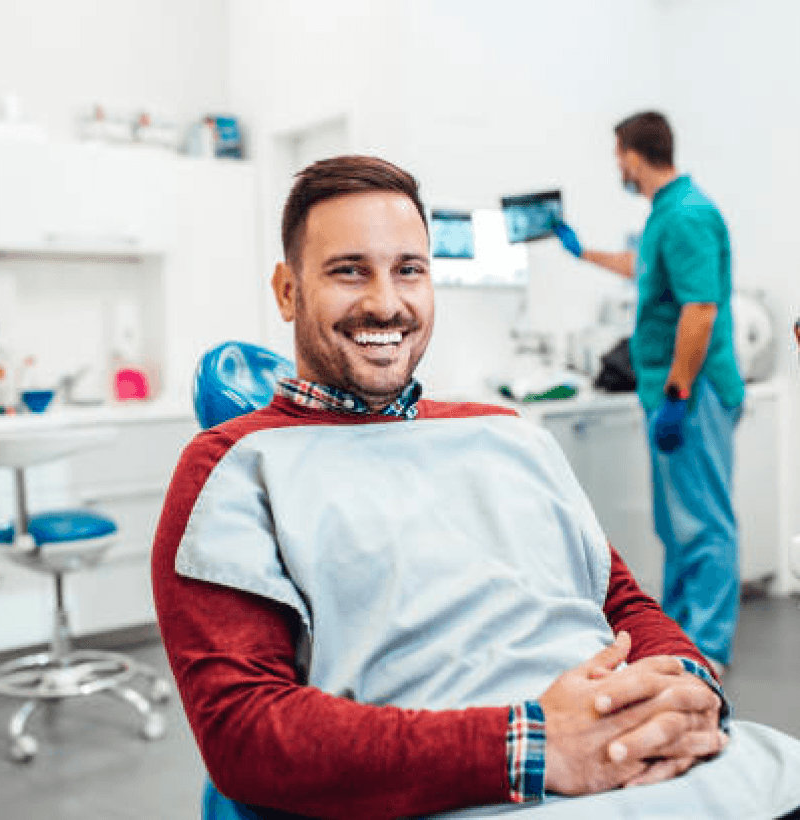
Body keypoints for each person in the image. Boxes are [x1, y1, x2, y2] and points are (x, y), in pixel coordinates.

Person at [152, 155, 800, 819]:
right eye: (350, 270)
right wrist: (535, 745)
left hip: (686, 763)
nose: (386, 301)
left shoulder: (509, 434)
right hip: (492, 793)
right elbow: (248, 733)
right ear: (288, 291)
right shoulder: (234, 465)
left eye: (409, 270)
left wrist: (690, 692)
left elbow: (621, 601)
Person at [553, 112, 745, 677]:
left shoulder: (687, 214)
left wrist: (680, 392)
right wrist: (582, 252)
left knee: (705, 522)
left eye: (618, 154)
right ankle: (683, 633)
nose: (617, 165)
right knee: (678, 522)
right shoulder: (667, 212)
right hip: (670, 391)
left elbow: (700, 308)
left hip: (694, 391)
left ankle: (708, 646)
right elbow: (643, 270)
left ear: (633, 156)